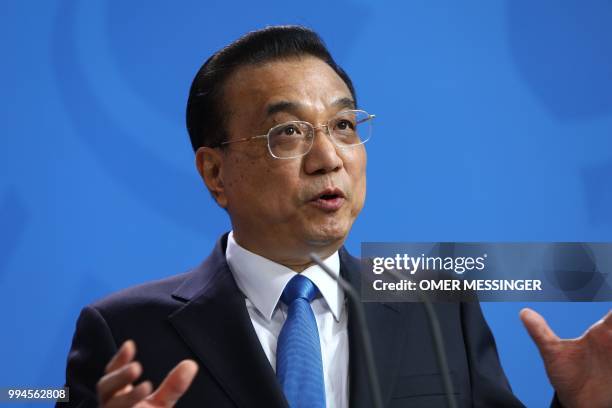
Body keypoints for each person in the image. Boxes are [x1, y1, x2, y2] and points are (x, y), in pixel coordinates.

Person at [59, 25, 612, 408]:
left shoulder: (440, 306)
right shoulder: (124, 332)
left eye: (344, 126)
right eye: (289, 132)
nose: (329, 158)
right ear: (215, 172)